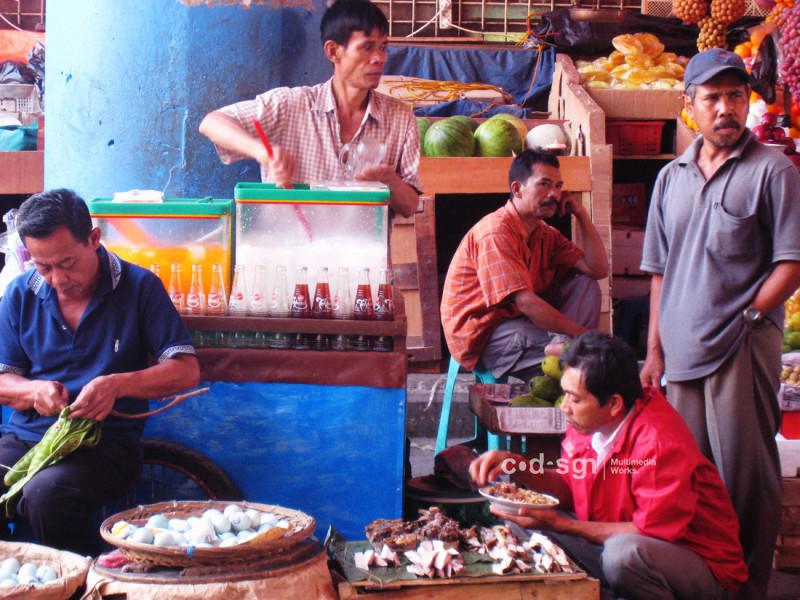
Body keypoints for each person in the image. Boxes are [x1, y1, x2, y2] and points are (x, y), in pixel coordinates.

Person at [639, 48, 800, 598]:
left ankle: (749, 587)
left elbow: (791, 263)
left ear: (748, 101)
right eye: (712, 98)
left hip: (740, 346)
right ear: (690, 107)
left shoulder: (772, 170)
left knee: (746, 477)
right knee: (691, 481)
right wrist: (654, 353)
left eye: (736, 96)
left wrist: (753, 315)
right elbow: (659, 272)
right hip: (680, 354)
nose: (726, 108)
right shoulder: (671, 178)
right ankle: (704, 583)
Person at [470, 332, 747, 599]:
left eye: (575, 399)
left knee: (622, 556)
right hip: (615, 538)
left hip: (699, 570)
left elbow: (649, 532)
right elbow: (569, 487)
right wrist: (518, 466)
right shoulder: (589, 422)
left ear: (614, 403)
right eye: (565, 395)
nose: (565, 407)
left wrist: (565, 526)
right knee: (520, 519)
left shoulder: (657, 444)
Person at [0, 189, 200, 554]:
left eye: (67, 263)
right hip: (30, 437)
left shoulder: (140, 288)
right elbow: (3, 380)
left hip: (105, 446)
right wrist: (33, 392)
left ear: (94, 239)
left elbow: (185, 371)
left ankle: (82, 586)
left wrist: (116, 385)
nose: (57, 279)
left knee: (45, 494)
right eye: (44, 267)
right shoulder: (20, 294)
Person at [198, 0, 420, 218]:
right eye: (367, 47)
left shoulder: (400, 118)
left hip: (362, 252)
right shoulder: (290, 105)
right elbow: (212, 122)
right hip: (291, 247)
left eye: (383, 47)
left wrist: (389, 180)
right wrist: (263, 153)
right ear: (333, 51)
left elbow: (410, 207)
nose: (379, 58)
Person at [440, 149, 608, 381]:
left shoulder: (544, 233)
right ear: (517, 189)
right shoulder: (495, 232)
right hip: (485, 337)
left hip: (521, 322)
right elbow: (526, 303)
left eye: (559, 187)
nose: (554, 194)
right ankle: (569, 352)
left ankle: (566, 351)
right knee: (589, 359)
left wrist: (581, 214)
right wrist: (585, 336)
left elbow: (597, 269)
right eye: (544, 184)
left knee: (586, 285)